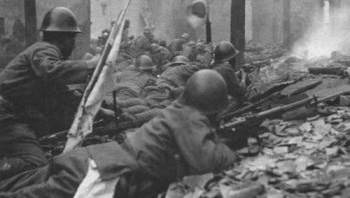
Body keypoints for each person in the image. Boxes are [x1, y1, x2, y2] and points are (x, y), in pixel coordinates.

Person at [0, 69, 239, 198]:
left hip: (95, 159)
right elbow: (206, 160)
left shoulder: (176, 110)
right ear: (211, 106)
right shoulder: (190, 117)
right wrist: (229, 147)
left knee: (16, 185)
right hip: (107, 174)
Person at [0, 7, 103, 179]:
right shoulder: (45, 50)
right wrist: (89, 65)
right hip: (5, 115)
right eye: (72, 39)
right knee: (36, 164)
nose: (74, 44)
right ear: (62, 39)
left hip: (12, 113)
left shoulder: (45, 53)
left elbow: (65, 96)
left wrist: (99, 110)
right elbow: (51, 71)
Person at [211, 41, 247, 105]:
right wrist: (243, 78)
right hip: (225, 104)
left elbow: (223, 77)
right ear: (228, 57)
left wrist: (235, 74)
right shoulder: (226, 68)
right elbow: (239, 91)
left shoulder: (213, 66)